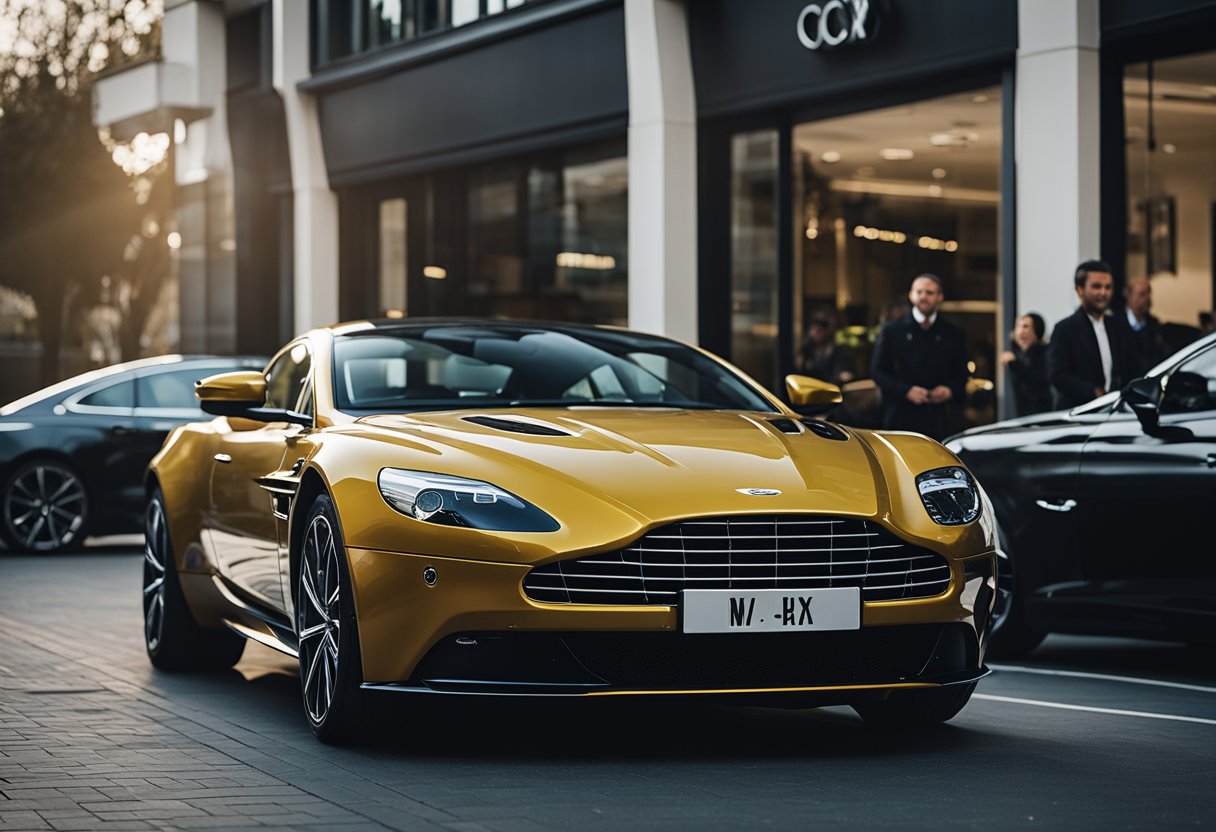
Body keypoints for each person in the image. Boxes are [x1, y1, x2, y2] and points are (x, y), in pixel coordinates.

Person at [870, 274, 967, 440]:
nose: (923, 296)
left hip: (941, 421)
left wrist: (949, 390)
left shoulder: (953, 332)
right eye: (919, 291)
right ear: (911, 295)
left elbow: (962, 374)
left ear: (940, 297)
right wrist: (906, 391)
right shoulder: (892, 330)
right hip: (901, 419)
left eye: (929, 292)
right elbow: (877, 371)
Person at [1047, 260, 1133, 410]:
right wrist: (1094, 392)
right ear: (1079, 290)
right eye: (1096, 287)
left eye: (1108, 287)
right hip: (1077, 414)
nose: (1103, 293)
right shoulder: (1064, 329)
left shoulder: (1118, 326)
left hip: (1114, 412)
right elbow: (1058, 375)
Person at [1000, 313, 1051, 416]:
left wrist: (1016, 364)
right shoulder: (1015, 354)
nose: (1021, 331)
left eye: (1026, 326)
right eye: (1018, 326)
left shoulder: (1046, 354)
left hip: (1040, 416)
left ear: (1036, 331)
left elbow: (1035, 382)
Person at [1120, 276, 1168, 377]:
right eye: (1142, 294)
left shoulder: (1153, 323)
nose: (1147, 298)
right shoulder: (1116, 323)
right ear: (1128, 295)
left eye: (1148, 293)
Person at [797, 312, 855, 386]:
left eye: (819, 330)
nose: (816, 333)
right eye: (814, 329)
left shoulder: (837, 351)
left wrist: (843, 375)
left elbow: (842, 373)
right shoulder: (807, 350)